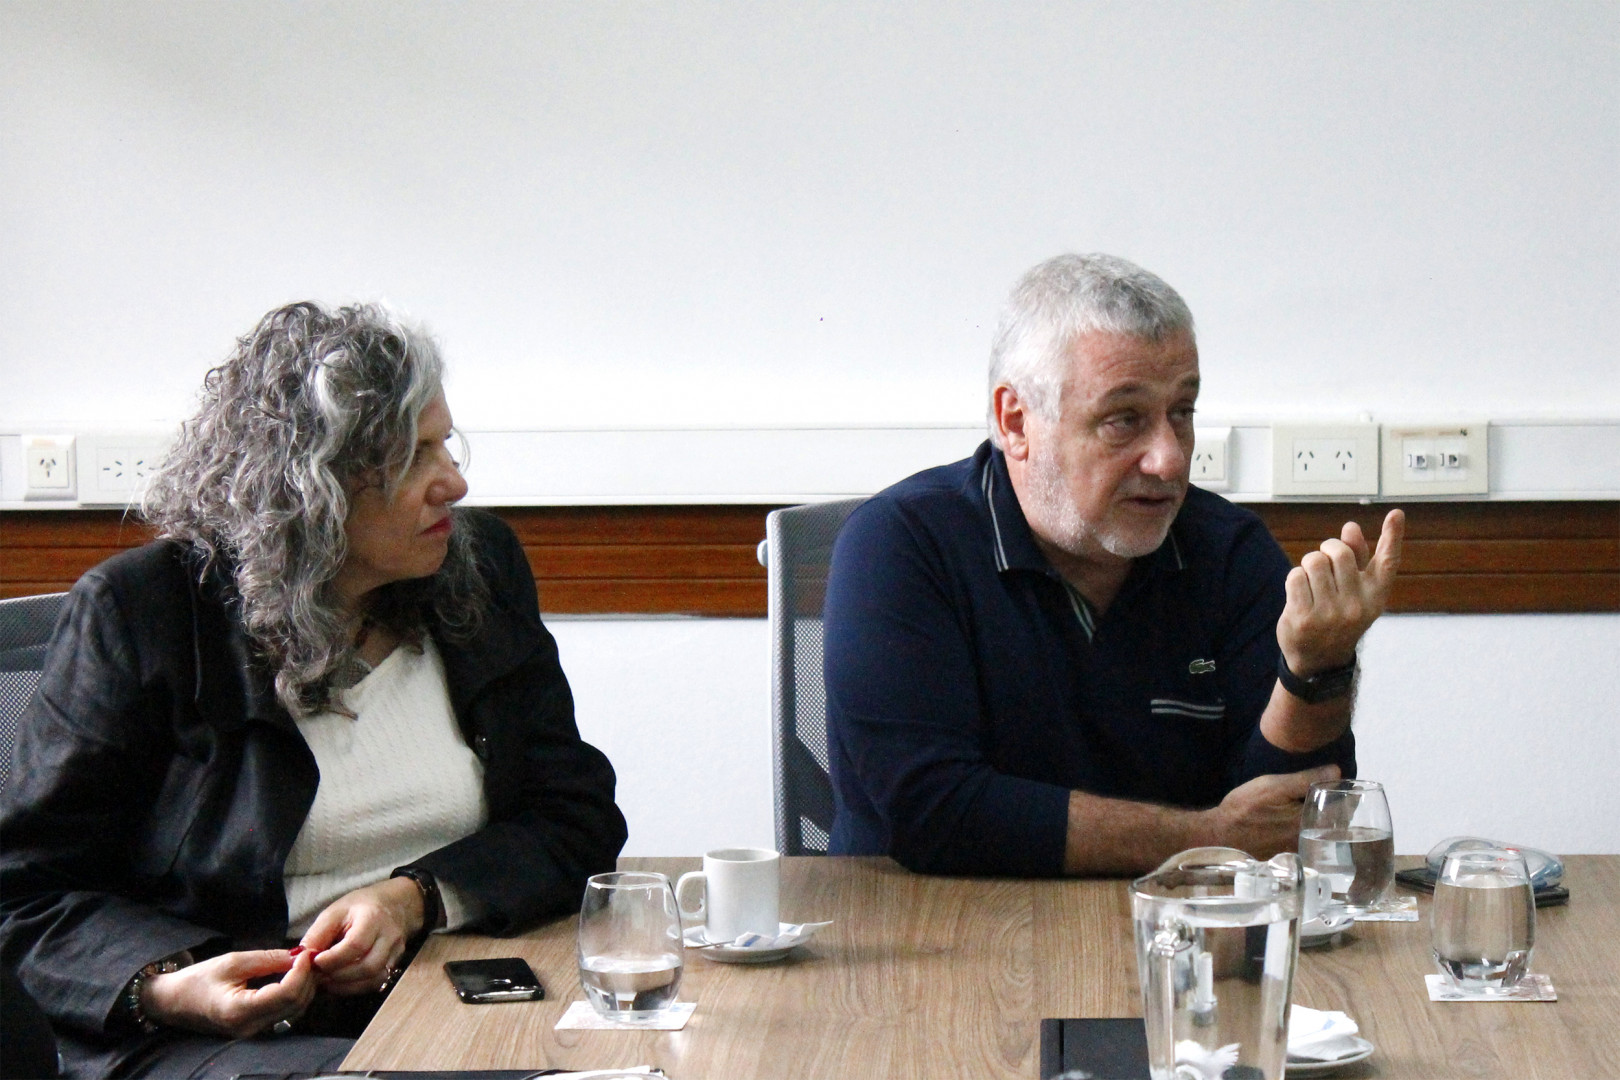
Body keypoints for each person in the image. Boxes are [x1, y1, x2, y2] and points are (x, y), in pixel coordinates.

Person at [0, 302, 628, 1077]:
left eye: (446, 443)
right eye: (412, 457)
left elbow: (575, 815)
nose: (455, 483)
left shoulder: (478, 572)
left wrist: (415, 898)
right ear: (310, 485)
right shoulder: (142, 613)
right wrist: (166, 987)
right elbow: (25, 896)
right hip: (221, 1043)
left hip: (444, 993)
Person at [824, 253, 1404, 877]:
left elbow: (1287, 820)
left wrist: (1314, 670)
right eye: (1124, 420)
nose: (1169, 459)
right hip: (925, 923)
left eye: (1181, 413)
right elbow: (932, 811)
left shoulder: (1228, 551)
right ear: (1016, 422)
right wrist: (1207, 837)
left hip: (1178, 921)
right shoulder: (902, 544)